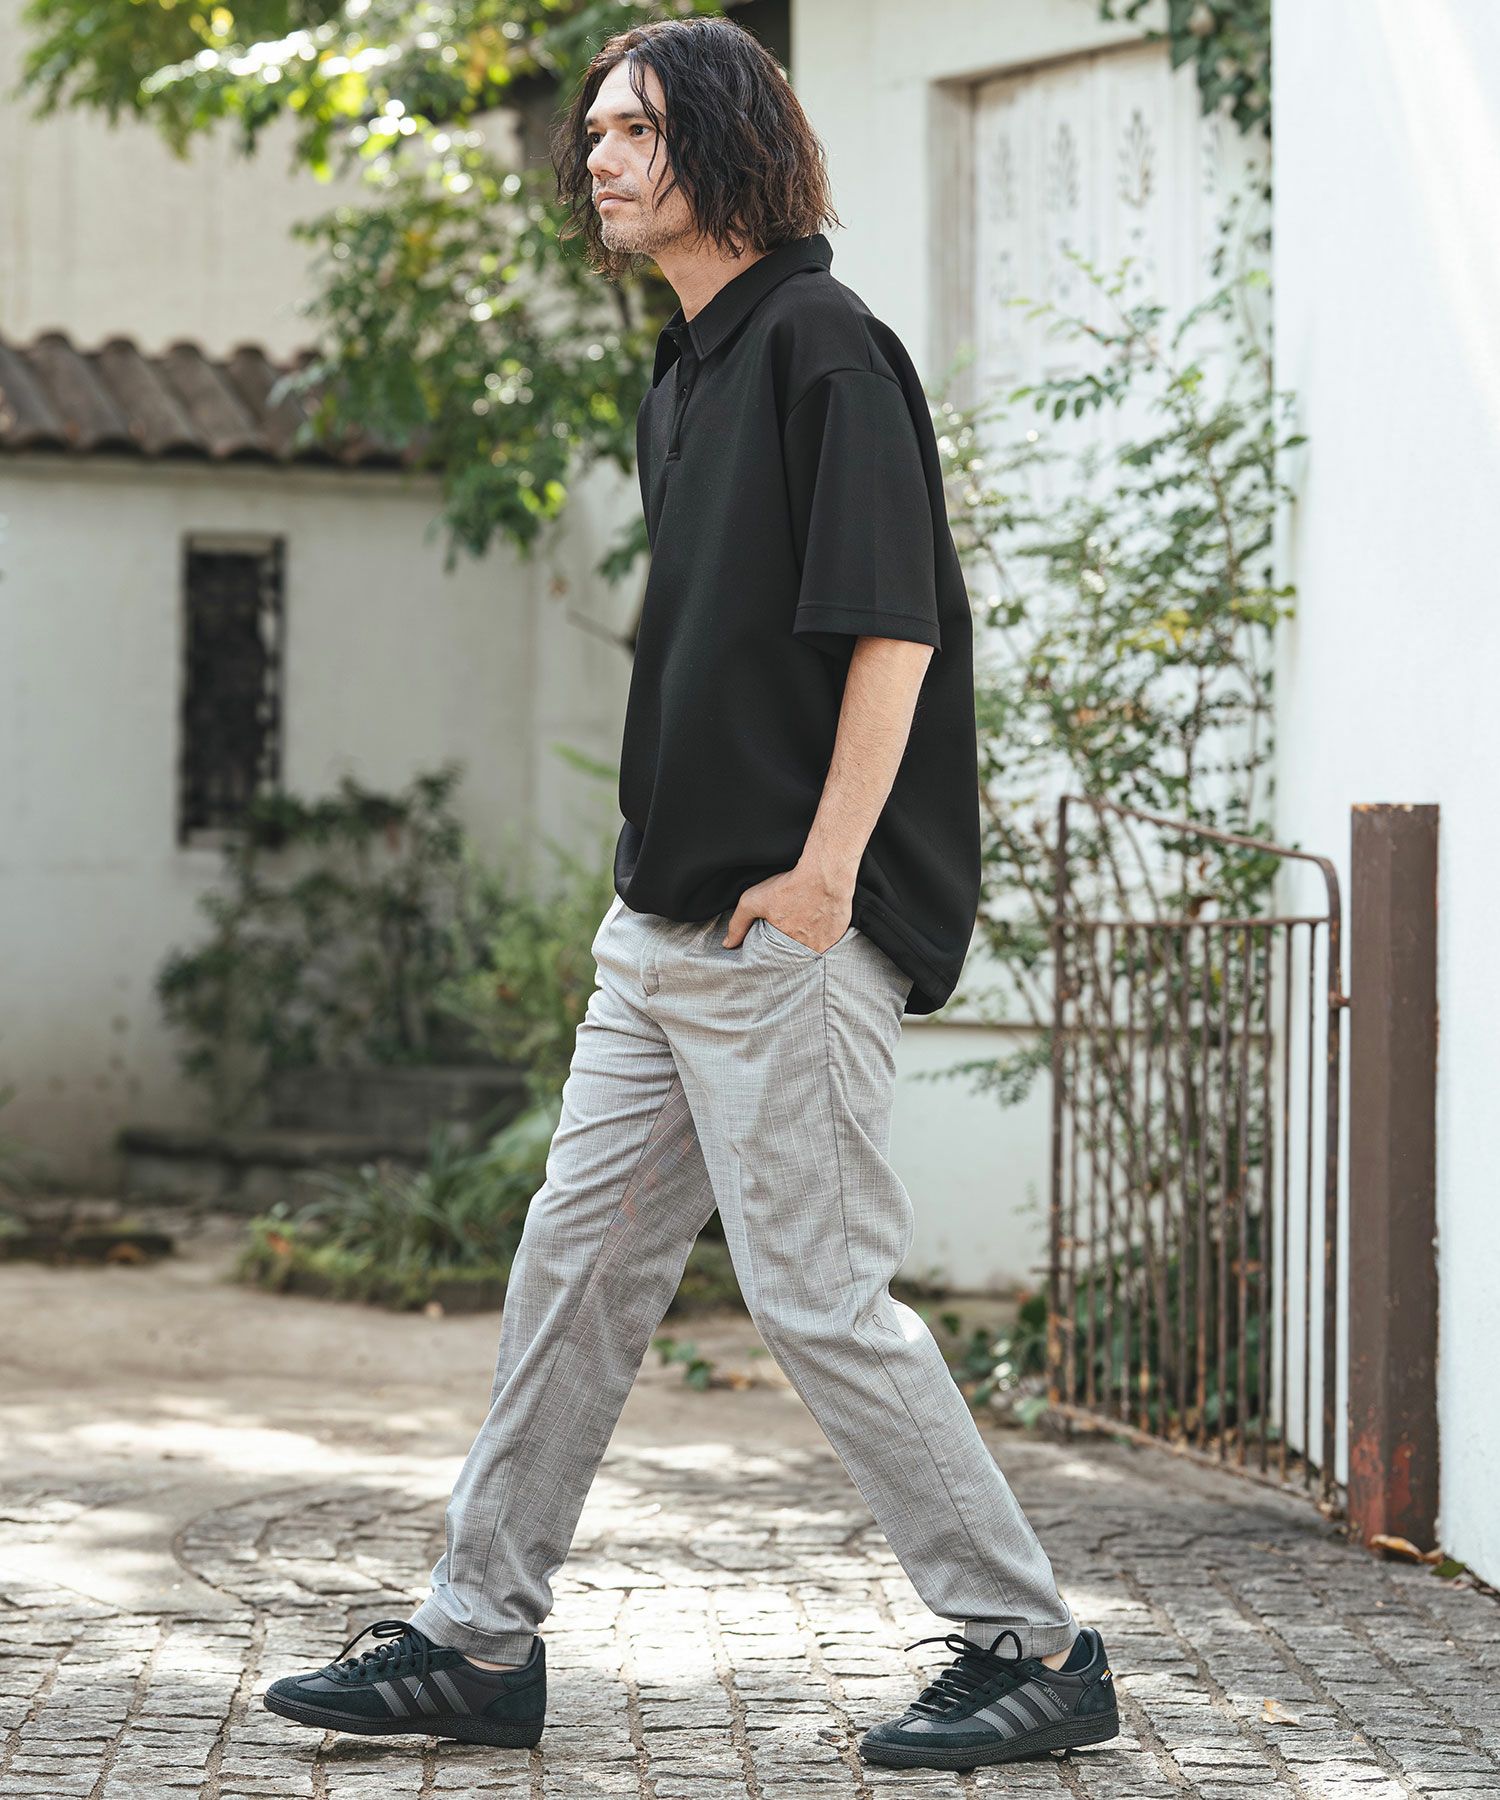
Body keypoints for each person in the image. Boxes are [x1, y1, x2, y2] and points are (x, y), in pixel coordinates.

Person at [263, 16, 1119, 1774]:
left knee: (818, 1299)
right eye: (594, 130)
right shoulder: (686, 372)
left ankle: (1033, 1647)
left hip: (781, 933)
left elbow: (895, 632)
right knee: (570, 1274)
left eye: (635, 129)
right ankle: (476, 1640)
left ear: (725, 144)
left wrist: (824, 880)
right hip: (660, 933)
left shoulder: (824, 348)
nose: (597, 155)